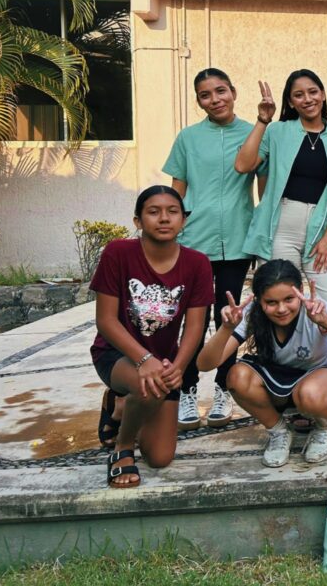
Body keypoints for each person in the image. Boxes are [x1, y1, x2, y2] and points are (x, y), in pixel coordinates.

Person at [91, 186, 213, 488]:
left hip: (165, 363)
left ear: (183, 220)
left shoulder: (197, 263)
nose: (164, 218)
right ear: (138, 221)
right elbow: (105, 321)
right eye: (153, 212)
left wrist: (179, 368)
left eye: (172, 211)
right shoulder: (118, 253)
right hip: (116, 354)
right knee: (151, 385)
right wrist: (144, 359)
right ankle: (122, 448)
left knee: (160, 457)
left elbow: (194, 327)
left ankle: (121, 407)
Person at [197, 259, 327, 467]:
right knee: (237, 377)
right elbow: (205, 364)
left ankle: (325, 425)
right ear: (259, 300)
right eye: (271, 302)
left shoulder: (315, 307)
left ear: (300, 291)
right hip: (280, 381)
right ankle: (278, 430)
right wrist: (226, 328)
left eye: (289, 299)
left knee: (310, 393)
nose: (281, 309)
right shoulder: (252, 313)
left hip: (325, 378)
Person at [162, 67, 255, 433]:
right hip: (194, 242)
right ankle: (185, 390)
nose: (215, 99)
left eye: (220, 91)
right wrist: (170, 234)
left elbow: (263, 186)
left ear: (233, 92)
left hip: (237, 239)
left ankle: (222, 389)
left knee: (228, 316)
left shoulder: (252, 134)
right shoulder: (188, 138)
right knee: (193, 319)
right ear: (198, 101)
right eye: (205, 95)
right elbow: (176, 191)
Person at [236, 69, 327, 308]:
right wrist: (263, 120)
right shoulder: (277, 130)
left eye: (313, 92)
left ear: (323, 94)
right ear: (290, 102)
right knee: (280, 302)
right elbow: (243, 165)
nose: (307, 99)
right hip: (281, 228)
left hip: (320, 230)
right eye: (298, 95)